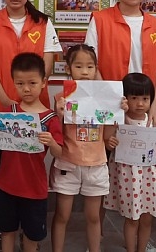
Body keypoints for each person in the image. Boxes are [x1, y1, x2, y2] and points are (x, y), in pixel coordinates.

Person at [0, 0, 61, 251]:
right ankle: (4, 231)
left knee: (30, 168)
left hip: (35, 109)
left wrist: (28, 98)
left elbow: (48, 64)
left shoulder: (43, 23)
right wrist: (6, 100)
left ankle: (30, 232)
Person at [0, 53, 63, 252]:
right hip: (5, 185)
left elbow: (60, 153)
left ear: (44, 82)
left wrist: (52, 142)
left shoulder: (50, 118)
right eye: (20, 84)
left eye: (32, 83)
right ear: (13, 82)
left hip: (34, 188)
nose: (26, 89)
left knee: (32, 236)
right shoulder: (8, 112)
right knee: (7, 232)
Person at [85, 0, 156, 126]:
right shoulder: (99, 20)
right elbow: (90, 65)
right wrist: (110, 99)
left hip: (146, 108)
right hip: (110, 105)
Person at [50, 44, 117, 252]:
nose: (85, 72)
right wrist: (58, 114)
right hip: (68, 163)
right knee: (62, 215)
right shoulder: (61, 98)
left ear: (96, 68)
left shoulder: (105, 99)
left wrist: (116, 115)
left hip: (96, 164)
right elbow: (57, 134)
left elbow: (106, 137)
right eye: (78, 66)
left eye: (90, 66)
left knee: (93, 217)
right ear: (68, 68)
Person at [104, 73, 156, 252]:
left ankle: (142, 248)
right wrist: (110, 140)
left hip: (149, 176)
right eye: (134, 98)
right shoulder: (119, 119)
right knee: (132, 218)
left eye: (145, 98)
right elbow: (107, 139)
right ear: (125, 98)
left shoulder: (152, 120)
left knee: (147, 218)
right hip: (128, 175)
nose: (140, 103)